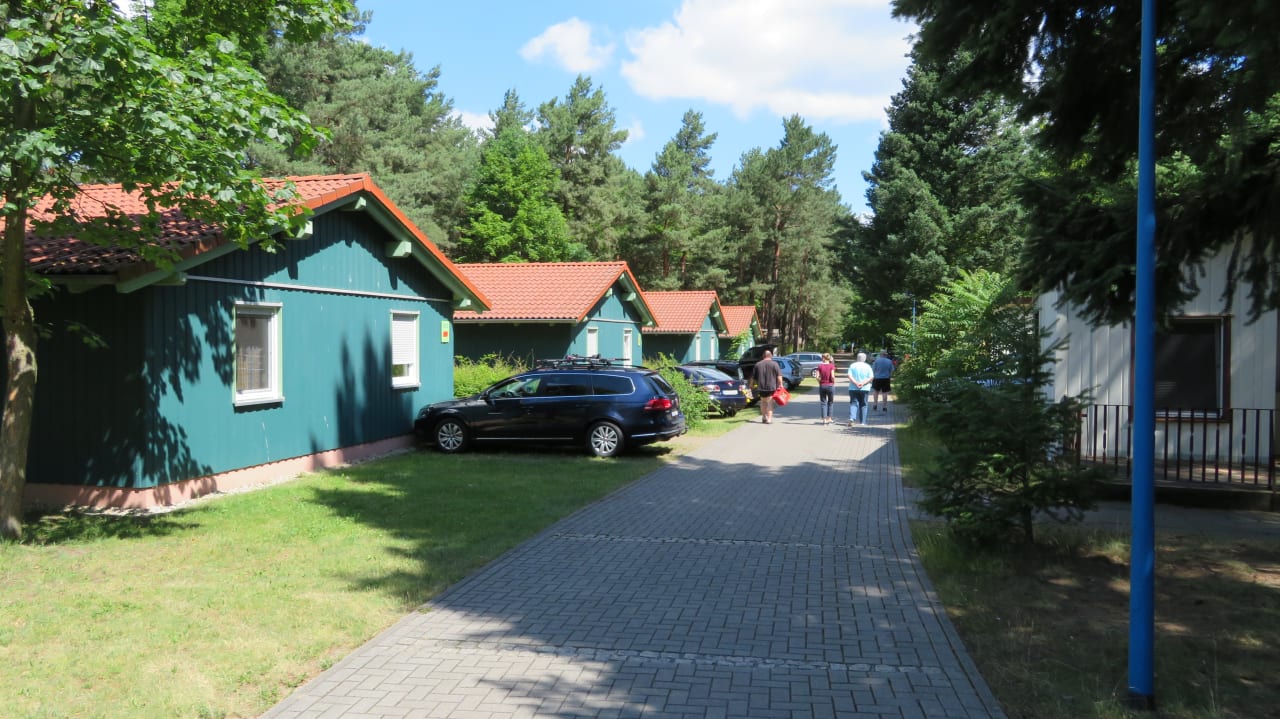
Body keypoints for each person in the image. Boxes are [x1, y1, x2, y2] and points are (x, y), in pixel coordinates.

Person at [752, 349, 784, 424]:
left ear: (763, 356)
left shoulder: (758, 364)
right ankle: (769, 419)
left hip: (761, 386)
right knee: (769, 402)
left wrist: (751, 385)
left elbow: (753, 377)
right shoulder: (774, 364)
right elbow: (779, 376)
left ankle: (764, 417)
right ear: (771, 356)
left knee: (763, 401)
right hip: (771, 387)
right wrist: (781, 385)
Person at [846, 351, 873, 426]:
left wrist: (856, 383)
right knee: (863, 404)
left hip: (853, 388)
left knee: (853, 403)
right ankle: (863, 422)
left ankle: (852, 418)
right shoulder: (868, 366)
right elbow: (871, 377)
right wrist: (863, 383)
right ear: (865, 359)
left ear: (857, 358)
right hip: (865, 388)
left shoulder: (852, 365)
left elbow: (849, 376)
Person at [816, 352, 837, 425]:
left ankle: (824, 420)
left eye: (822, 357)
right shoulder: (831, 366)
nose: (822, 359)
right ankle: (829, 418)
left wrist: (820, 382)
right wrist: (833, 382)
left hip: (822, 385)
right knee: (830, 402)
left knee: (823, 402)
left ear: (824, 358)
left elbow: (817, 376)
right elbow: (832, 377)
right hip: (830, 385)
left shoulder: (820, 366)